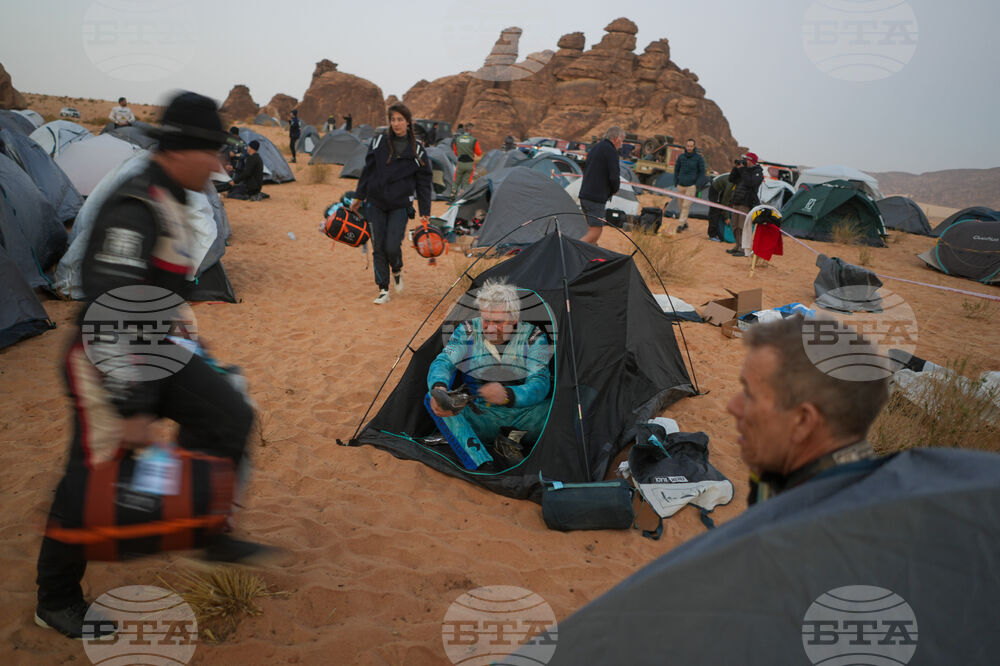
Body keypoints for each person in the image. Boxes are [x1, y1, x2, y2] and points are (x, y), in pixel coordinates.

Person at [34, 91, 269, 640]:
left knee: (229, 415)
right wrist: (133, 405)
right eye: (209, 152)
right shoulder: (134, 205)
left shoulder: (176, 199)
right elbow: (113, 311)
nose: (217, 164)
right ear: (181, 149)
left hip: (156, 348)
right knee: (87, 478)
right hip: (108, 360)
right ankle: (56, 598)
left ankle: (206, 529)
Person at [727, 315, 889, 505]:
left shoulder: (810, 526)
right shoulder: (853, 478)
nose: (732, 406)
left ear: (803, 421)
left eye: (749, 394)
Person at [426, 279, 553, 472]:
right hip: (482, 415)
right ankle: (482, 464)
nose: (491, 328)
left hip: (526, 416)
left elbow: (540, 383)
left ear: (514, 318)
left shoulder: (534, 337)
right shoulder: (468, 331)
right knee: (432, 399)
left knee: (573, 405)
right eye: (486, 320)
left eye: (499, 322)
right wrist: (439, 388)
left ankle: (506, 439)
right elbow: (444, 361)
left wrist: (509, 394)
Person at [351, 102, 432, 305]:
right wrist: (358, 197)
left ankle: (396, 268)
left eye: (400, 120)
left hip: (400, 205)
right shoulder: (379, 142)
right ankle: (383, 289)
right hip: (376, 202)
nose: (396, 124)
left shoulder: (418, 150)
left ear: (408, 122)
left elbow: (424, 183)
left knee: (392, 246)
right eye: (393, 119)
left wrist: (425, 211)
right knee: (378, 246)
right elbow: (368, 171)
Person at [578, 126, 624, 245]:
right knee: (596, 231)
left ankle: (591, 258)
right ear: (615, 139)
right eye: (622, 140)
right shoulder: (611, 151)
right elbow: (614, 175)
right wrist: (615, 189)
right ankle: (573, 250)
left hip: (585, 194)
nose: (622, 144)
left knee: (591, 232)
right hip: (595, 198)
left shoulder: (596, 147)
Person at [728, 152, 764, 257]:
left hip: (746, 203)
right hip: (736, 201)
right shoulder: (743, 170)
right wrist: (736, 168)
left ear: (751, 161)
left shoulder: (757, 172)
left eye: (747, 160)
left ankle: (743, 249)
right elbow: (731, 179)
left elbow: (750, 183)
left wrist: (743, 170)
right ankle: (738, 245)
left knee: (742, 226)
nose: (745, 162)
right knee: (735, 226)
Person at [670, 138, 706, 235]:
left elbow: (702, 172)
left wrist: (697, 184)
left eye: (691, 146)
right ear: (686, 146)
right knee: (681, 206)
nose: (689, 148)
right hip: (680, 185)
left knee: (686, 206)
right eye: (688, 146)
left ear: (694, 147)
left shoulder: (699, 158)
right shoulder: (681, 157)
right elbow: (676, 170)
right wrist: (676, 181)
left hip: (691, 186)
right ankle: (685, 223)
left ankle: (680, 225)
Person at [450, 123, 482, 200]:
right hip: (469, 164)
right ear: (470, 130)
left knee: (456, 181)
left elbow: (455, 152)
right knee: (466, 182)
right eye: (473, 129)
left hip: (460, 163)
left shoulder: (457, 139)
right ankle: (461, 198)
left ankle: (452, 197)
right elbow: (479, 153)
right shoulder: (474, 140)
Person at [706, 171, 734, 242]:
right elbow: (725, 201)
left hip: (720, 187)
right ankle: (712, 235)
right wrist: (726, 217)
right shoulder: (731, 183)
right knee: (715, 211)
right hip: (715, 189)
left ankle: (717, 232)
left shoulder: (735, 179)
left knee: (718, 211)